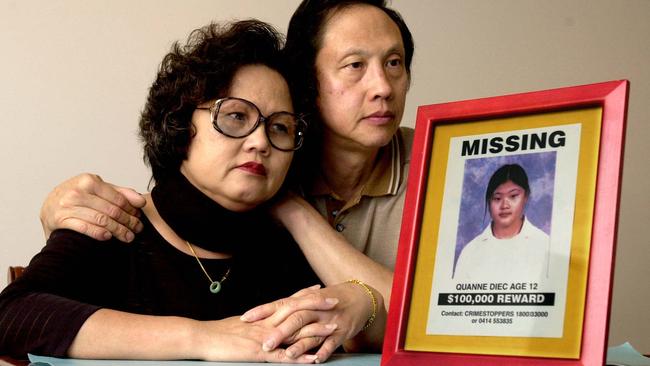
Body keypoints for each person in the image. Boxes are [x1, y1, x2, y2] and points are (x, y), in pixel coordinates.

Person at [38, 0, 414, 357]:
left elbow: (368, 332)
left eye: (279, 127)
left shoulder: (282, 247)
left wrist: (365, 300)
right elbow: (20, 313)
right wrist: (201, 337)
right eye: (235, 117)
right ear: (181, 126)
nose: (260, 142)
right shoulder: (119, 222)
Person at [454, 163, 550, 282]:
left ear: (526, 196)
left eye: (513, 196)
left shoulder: (545, 245)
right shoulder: (470, 251)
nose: (504, 205)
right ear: (489, 201)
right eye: (497, 198)